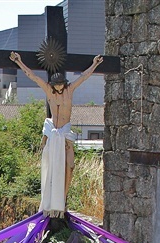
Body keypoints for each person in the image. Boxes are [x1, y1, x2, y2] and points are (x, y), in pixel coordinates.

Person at [9, 51, 104, 213]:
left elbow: (84, 77)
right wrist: (19, 62)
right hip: (53, 132)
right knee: (50, 167)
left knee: (70, 165)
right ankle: (49, 201)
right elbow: (32, 76)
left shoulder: (70, 90)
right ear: (53, 85)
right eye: (56, 84)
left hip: (65, 132)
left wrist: (95, 64)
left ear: (64, 83)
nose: (59, 87)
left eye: (61, 84)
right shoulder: (48, 91)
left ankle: (63, 199)